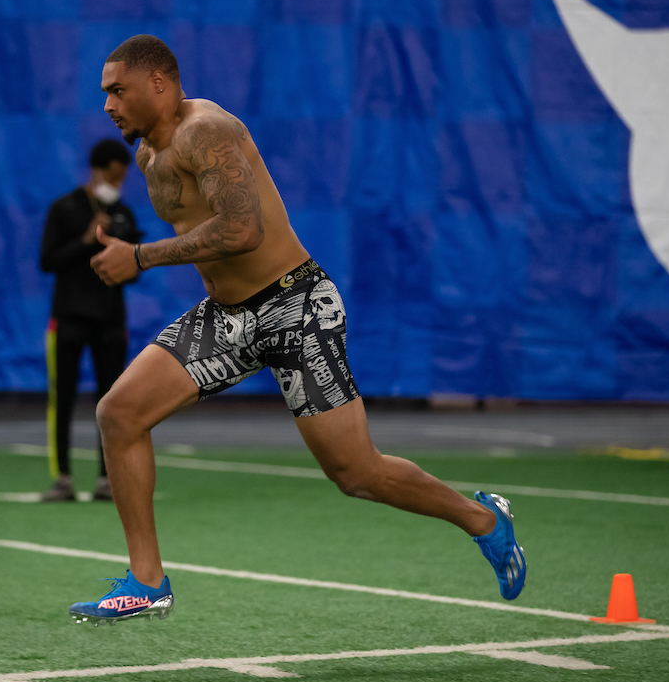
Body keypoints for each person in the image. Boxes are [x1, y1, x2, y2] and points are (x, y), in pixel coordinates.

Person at [67, 35, 525, 625]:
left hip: (296, 305)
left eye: (117, 90)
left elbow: (242, 230)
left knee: (356, 473)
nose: (108, 104)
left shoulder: (206, 129)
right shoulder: (147, 157)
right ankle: (146, 582)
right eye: (105, 93)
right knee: (118, 413)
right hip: (231, 315)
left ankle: (484, 519)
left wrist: (142, 257)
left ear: (159, 83)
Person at [39, 139, 142, 503]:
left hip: (111, 322)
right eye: (114, 175)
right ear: (98, 169)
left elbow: (134, 271)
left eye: (123, 178)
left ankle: (106, 478)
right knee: (61, 399)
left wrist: (124, 258)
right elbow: (47, 260)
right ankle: (62, 477)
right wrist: (85, 241)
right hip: (67, 320)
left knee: (111, 402)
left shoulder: (124, 215)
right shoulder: (64, 208)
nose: (118, 183)